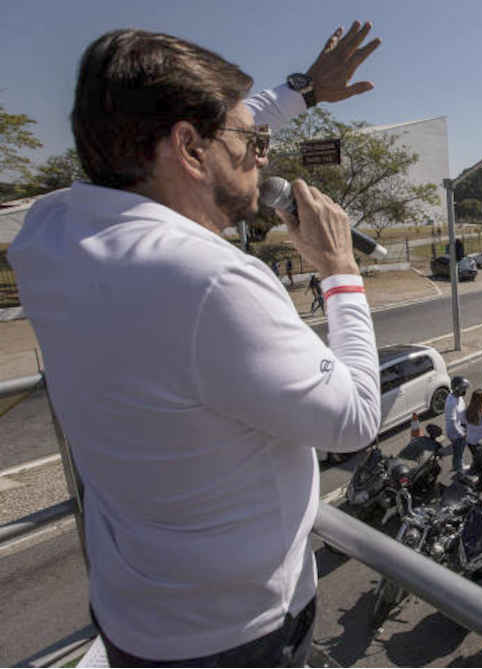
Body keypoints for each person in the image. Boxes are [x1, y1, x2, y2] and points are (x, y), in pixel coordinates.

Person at [7, 22, 383, 666]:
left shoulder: (47, 232)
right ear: (186, 146)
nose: (262, 154)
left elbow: (210, 125)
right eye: (249, 141)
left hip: (134, 614)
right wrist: (340, 271)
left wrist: (300, 92)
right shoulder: (212, 281)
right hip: (239, 633)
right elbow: (354, 419)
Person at [445, 376, 469, 473]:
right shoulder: (452, 403)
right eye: (463, 388)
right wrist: (461, 433)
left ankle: (457, 466)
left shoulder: (458, 397)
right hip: (455, 432)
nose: (465, 390)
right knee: (459, 451)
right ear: (457, 389)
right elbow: (452, 421)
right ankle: (460, 469)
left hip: (460, 426)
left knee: (458, 451)